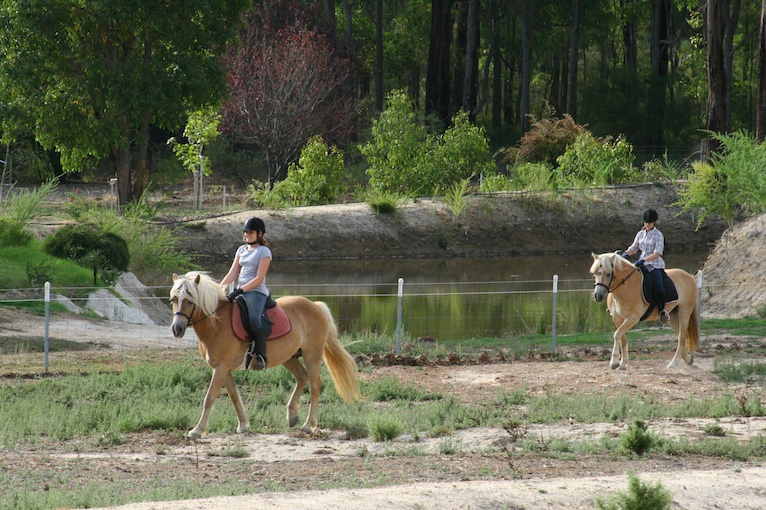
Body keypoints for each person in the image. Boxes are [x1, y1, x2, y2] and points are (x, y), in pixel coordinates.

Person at [220, 217, 272, 369]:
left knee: (255, 319)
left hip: (256, 292)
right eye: (246, 232)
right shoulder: (241, 250)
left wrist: (240, 290)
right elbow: (232, 274)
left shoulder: (264, 251)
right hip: (240, 291)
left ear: (260, 234)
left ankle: (261, 357)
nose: (247, 235)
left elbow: (259, 278)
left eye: (250, 232)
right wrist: (217, 289)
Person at [622, 208, 669, 323]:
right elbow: (634, 248)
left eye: (649, 223)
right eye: (646, 222)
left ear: (654, 222)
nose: (647, 224)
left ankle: (662, 311)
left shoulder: (658, 235)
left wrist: (643, 260)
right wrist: (625, 255)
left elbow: (658, 253)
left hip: (654, 265)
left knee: (659, 287)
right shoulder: (640, 234)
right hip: (641, 264)